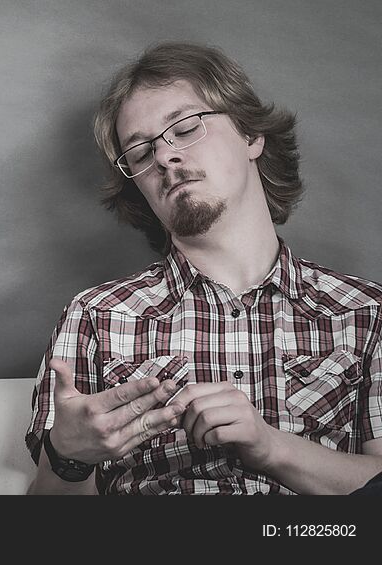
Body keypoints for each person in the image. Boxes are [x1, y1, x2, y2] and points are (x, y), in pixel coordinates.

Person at [26, 42, 382, 495]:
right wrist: (67, 456)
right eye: (140, 153)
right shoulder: (95, 316)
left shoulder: (369, 314)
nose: (164, 157)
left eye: (186, 127)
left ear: (251, 136)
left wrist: (271, 447)